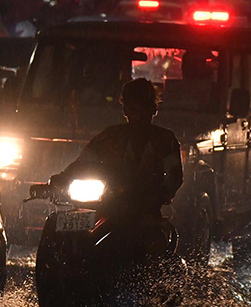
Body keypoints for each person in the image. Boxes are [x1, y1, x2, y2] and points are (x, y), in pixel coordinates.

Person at [67, 77, 183, 216]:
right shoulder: (110, 136)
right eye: (133, 109)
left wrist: (159, 195)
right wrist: (58, 181)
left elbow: (174, 177)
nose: (138, 116)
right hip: (110, 211)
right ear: (125, 110)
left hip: (147, 216)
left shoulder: (165, 140)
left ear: (153, 110)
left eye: (143, 109)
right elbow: (82, 163)